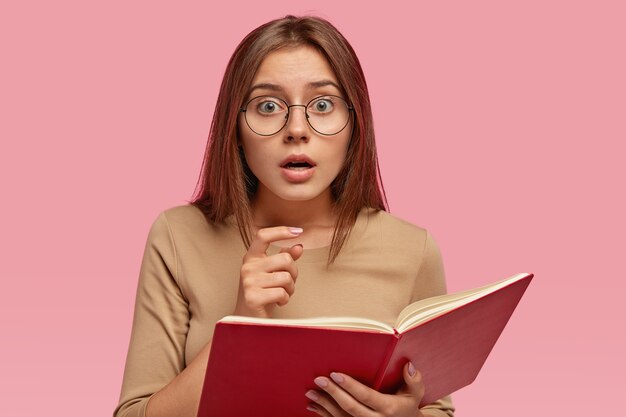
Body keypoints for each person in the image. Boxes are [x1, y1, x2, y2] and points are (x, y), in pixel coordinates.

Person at [114, 15, 455, 417]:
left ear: (355, 124)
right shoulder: (177, 236)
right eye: (268, 106)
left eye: (323, 105)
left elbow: (437, 409)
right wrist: (239, 327)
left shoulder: (412, 249)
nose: (296, 129)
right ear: (235, 128)